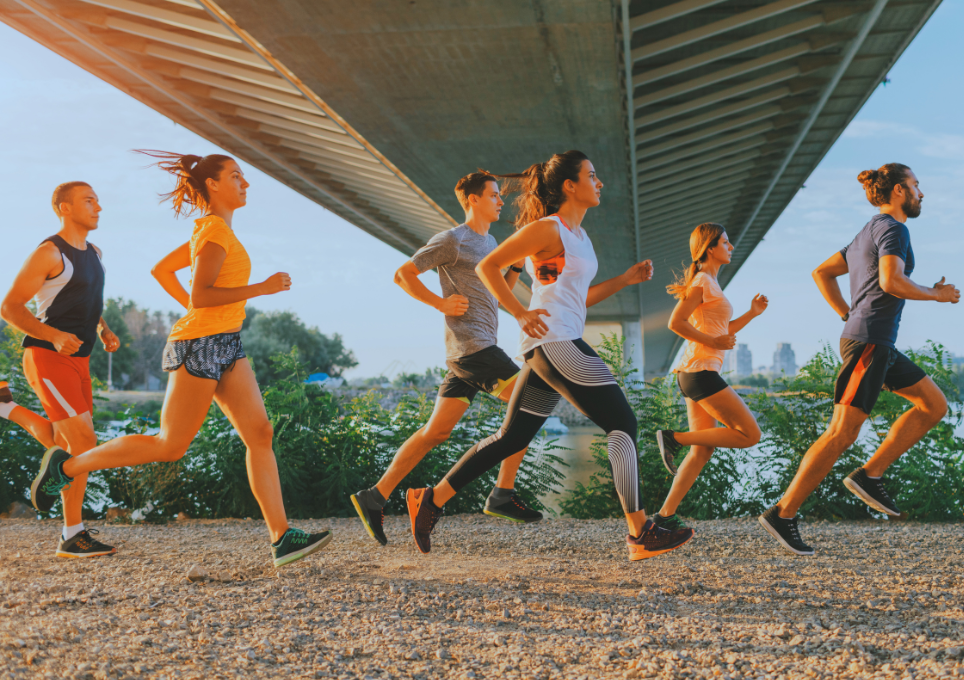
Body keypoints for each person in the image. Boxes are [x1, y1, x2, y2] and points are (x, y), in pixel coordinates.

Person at [30, 151, 332, 567]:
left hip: (225, 341)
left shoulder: (213, 231)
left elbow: (162, 272)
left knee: (260, 433)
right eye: (237, 176)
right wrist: (259, 289)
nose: (246, 184)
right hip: (200, 345)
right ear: (213, 184)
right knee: (170, 444)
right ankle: (67, 468)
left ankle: (282, 538)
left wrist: (199, 311)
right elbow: (201, 294)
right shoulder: (212, 232)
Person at [405, 150, 694, 561]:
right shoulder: (548, 228)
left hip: (553, 343)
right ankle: (640, 531)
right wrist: (521, 312)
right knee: (622, 422)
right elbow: (490, 266)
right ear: (569, 186)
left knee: (512, 437)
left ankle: (430, 499)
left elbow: (580, 297)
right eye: (592, 176)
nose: (600, 182)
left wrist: (626, 280)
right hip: (555, 342)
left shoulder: (580, 238)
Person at [758, 163, 959, 556]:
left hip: (876, 342)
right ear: (900, 191)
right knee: (841, 433)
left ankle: (870, 474)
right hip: (868, 343)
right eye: (917, 186)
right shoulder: (893, 229)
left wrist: (846, 313)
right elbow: (891, 282)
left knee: (933, 405)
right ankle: (783, 513)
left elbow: (822, 273)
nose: (922, 193)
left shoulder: (869, 229)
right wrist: (937, 295)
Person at [349, 172, 543, 544]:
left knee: (435, 432)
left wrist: (516, 265)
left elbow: (498, 287)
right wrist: (440, 303)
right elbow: (403, 274)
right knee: (532, 402)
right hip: (474, 348)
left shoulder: (490, 241)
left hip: (468, 352)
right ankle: (502, 492)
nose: (500, 200)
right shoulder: (453, 240)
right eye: (493, 195)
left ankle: (375, 496)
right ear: (473, 200)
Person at [0, 181, 121, 558]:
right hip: (47, 357)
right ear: (64, 208)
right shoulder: (49, 252)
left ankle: (4, 407)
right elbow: (11, 307)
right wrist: (52, 335)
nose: (98, 207)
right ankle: (72, 533)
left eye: (98, 200)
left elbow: (88, 298)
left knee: (63, 439)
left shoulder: (95, 253)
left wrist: (103, 328)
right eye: (89, 201)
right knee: (83, 443)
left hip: (80, 359)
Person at [654, 223, 767, 532]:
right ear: (710, 248)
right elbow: (675, 322)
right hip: (701, 372)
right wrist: (713, 342)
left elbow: (723, 331)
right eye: (726, 242)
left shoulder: (711, 283)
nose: (731, 247)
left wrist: (752, 313)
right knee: (750, 435)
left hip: (695, 373)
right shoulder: (703, 280)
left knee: (702, 451)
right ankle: (672, 438)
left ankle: (664, 517)